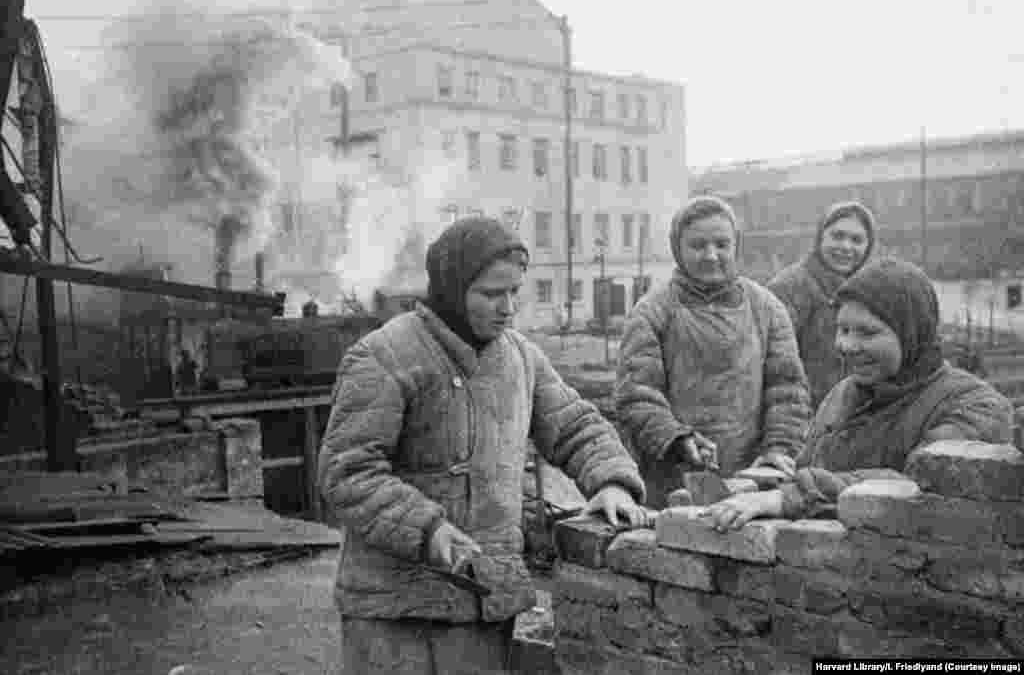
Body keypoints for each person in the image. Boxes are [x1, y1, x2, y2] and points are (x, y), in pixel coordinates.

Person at [318, 216, 648, 675]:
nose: (508, 307)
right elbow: (347, 472)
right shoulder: (384, 356)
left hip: (481, 600)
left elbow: (575, 426)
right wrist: (427, 530)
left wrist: (611, 480)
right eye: (492, 294)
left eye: (515, 292)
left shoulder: (520, 357)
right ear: (452, 290)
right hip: (392, 608)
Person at [703, 258, 1013, 531]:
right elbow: (813, 468)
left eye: (867, 332)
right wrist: (767, 478)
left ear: (912, 332)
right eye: (843, 329)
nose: (846, 346)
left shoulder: (974, 406)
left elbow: (919, 486)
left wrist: (790, 497)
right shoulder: (845, 393)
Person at [615, 195, 812, 509]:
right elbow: (637, 395)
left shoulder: (767, 308)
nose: (710, 256)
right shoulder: (652, 312)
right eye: (697, 245)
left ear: (736, 246)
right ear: (677, 249)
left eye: (722, 244)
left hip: (753, 477)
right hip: (674, 475)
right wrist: (677, 439)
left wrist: (778, 450)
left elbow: (787, 390)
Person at [768, 201, 877, 408]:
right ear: (820, 239)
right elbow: (775, 368)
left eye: (856, 240)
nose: (846, 247)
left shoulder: (873, 291)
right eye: (837, 236)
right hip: (805, 416)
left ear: (868, 246)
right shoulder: (789, 288)